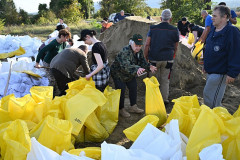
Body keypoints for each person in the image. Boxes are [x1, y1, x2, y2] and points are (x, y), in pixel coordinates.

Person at [111, 34, 157, 117]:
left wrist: (149, 66)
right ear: (131, 43)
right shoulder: (125, 51)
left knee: (133, 87)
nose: (138, 47)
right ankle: (121, 109)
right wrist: (137, 69)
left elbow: (143, 61)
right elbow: (126, 66)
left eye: (140, 45)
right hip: (118, 73)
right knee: (121, 90)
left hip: (130, 73)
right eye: (136, 45)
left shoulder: (139, 52)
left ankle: (133, 107)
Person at [203, 5, 240, 108]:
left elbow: (236, 52)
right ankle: (212, 120)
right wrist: (205, 65)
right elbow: (208, 48)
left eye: (215, 16)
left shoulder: (232, 32)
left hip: (220, 73)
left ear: (224, 17)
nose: (212, 18)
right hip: (210, 70)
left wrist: (232, 73)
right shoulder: (213, 31)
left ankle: (216, 120)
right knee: (209, 97)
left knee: (212, 101)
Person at [144, 9, 179, 104]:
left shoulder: (153, 28)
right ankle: (164, 100)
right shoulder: (175, 29)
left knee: (151, 80)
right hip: (168, 59)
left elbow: (147, 44)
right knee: (165, 80)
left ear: (160, 18)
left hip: (154, 59)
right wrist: (173, 55)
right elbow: (176, 46)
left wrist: (146, 57)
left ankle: (151, 100)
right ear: (170, 19)